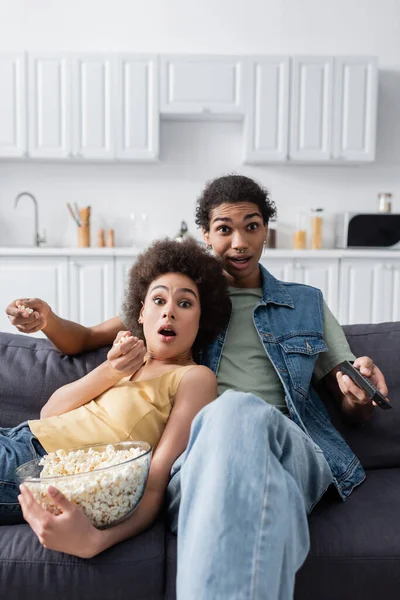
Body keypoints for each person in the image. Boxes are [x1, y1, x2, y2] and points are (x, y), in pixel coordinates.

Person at [6, 174, 388, 600]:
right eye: (225, 229)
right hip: (200, 453)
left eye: (252, 226)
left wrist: (359, 393)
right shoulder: (183, 300)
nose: (239, 242)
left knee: (238, 412)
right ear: (206, 235)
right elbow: (85, 339)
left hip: (288, 444)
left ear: (266, 230)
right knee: (264, 489)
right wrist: (47, 322)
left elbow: (354, 404)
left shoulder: (306, 303)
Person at [1, 238, 230, 532]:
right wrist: (112, 370)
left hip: (38, 467)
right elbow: (49, 413)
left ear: (202, 320)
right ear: (140, 314)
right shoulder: (126, 357)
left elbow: (155, 484)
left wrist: (96, 541)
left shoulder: (195, 378)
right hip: (18, 438)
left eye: (184, 303)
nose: (169, 311)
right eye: (159, 300)